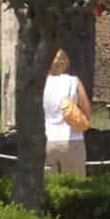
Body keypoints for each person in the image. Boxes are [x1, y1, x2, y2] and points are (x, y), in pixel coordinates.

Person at [42, 47, 90, 178]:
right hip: (73, 140)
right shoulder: (74, 81)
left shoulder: (40, 83)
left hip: (47, 140)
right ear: (66, 62)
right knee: (76, 186)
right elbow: (87, 112)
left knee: (50, 186)